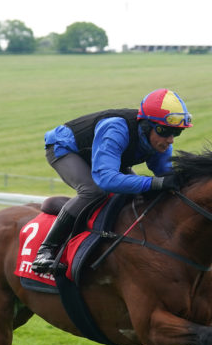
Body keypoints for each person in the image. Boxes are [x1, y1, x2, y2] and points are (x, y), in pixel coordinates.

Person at [31, 88, 193, 274]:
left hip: (104, 156)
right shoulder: (116, 128)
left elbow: (165, 174)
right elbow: (106, 180)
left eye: (176, 133)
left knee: (138, 193)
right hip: (66, 148)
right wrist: (154, 183)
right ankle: (45, 251)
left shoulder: (159, 141)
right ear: (146, 126)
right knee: (93, 191)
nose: (170, 140)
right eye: (165, 131)